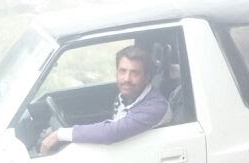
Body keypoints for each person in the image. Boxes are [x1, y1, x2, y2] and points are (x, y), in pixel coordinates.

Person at [39, 45, 171, 153]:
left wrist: (60, 135)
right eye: (122, 71)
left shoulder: (154, 107)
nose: (126, 79)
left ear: (147, 78)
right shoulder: (128, 95)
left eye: (134, 73)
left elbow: (111, 132)